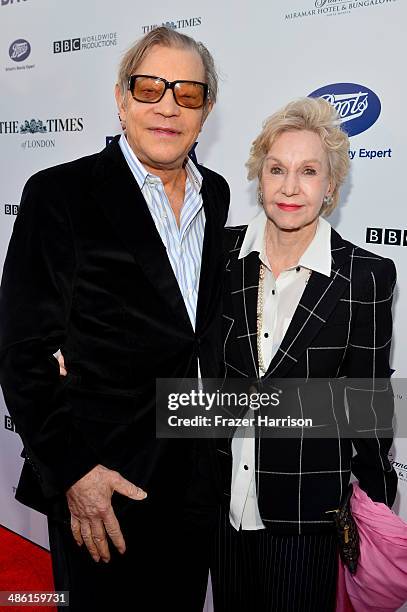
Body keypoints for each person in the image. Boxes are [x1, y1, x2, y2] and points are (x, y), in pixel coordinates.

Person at [0, 27, 229, 611]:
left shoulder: (219, 194)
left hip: (198, 475)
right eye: (150, 87)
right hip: (103, 488)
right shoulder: (60, 195)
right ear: (122, 99)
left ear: (206, 110)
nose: (168, 106)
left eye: (188, 93)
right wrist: (77, 473)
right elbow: (22, 352)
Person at [212, 97, 397, 611]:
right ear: (259, 177)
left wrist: (376, 501)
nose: (290, 187)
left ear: (331, 187)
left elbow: (368, 398)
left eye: (308, 171)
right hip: (220, 505)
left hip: (307, 513)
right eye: (277, 169)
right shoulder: (221, 256)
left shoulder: (366, 276)